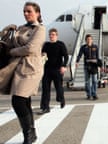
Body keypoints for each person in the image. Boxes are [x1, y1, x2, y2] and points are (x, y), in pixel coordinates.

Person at [9, 2, 46, 144]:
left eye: (29, 11)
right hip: (18, 67)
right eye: (24, 11)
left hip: (31, 68)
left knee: (17, 101)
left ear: (37, 13)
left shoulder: (40, 29)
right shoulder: (21, 28)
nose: (26, 13)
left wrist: (12, 52)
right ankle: (31, 134)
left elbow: (30, 48)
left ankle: (28, 135)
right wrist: (9, 29)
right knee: (25, 101)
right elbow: (12, 42)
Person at [39, 28, 68, 114]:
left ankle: (61, 99)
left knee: (58, 88)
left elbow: (66, 56)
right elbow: (42, 55)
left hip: (57, 69)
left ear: (56, 35)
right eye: (50, 35)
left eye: (53, 34)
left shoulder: (60, 44)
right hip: (47, 70)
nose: (51, 36)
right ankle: (45, 107)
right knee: (45, 89)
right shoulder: (46, 45)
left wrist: (64, 66)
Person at [76, 34, 100, 100]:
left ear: (92, 40)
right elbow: (79, 55)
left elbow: (98, 57)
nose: (89, 40)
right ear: (85, 40)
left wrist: (99, 65)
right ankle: (88, 94)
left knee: (94, 81)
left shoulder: (95, 47)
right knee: (87, 81)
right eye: (87, 39)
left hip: (94, 66)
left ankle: (94, 94)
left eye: (90, 39)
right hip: (86, 66)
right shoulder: (83, 47)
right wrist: (77, 61)